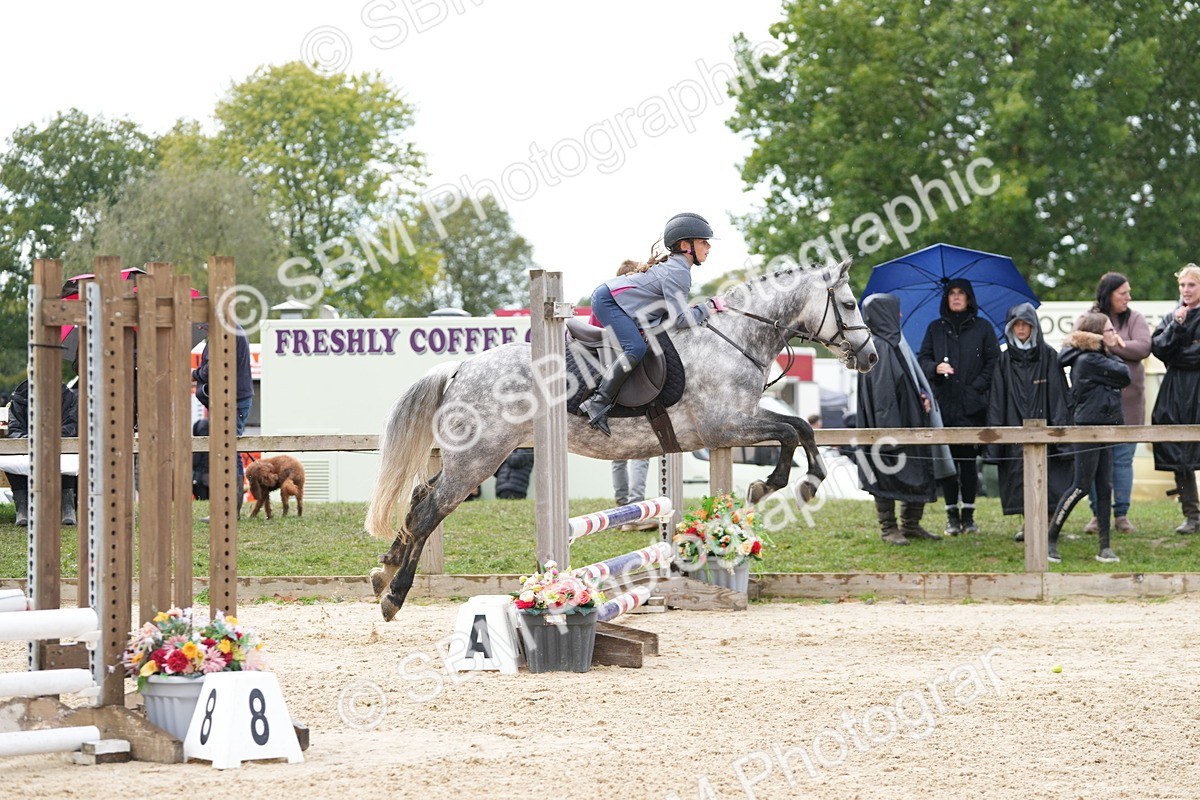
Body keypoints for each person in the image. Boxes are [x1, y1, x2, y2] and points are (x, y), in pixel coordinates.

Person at [579, 212, 727, 436]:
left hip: (615, 300)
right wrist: (708, 307)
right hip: (608, 301)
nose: (708, 246)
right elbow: (680, 320)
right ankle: (597, 402)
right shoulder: (678, 272)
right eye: (703, 242)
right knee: (636, 348)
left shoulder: (679, 268)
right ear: (685, 246)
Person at [985, 304, 1074, 542]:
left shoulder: (1049, 355)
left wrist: (1061, 434)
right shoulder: (1004, 360)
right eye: (1017, 324)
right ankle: (1029, 524)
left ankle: (1048, 523)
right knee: (1020, 477)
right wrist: (995, 439)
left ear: (1034, 327)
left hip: (1047, 428)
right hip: (1014, 427)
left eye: (1026, 324)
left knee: (1051, 477)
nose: (1021, 329)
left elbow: (1058, 396)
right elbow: (997, 400)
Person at [856, 294, 940, 545]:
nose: (900, 315)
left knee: (916, 470)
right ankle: (889, 528)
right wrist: (890, 435)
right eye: (895, 311)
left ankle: (911, 525)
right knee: (886, 475)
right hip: (890, 427)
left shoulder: (894, 343)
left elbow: (906, 381)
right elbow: (883, 396)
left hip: (907, 421)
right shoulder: (879, 347)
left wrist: (921, 397)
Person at [918, 279, 1000, 535]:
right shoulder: (935, 328)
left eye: (960, 293)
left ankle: (969, 516)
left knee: (968, 463)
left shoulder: (983, 328)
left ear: (968, 298)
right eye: (951, 293)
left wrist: (974, 389)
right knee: (947, 464)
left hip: (973, 408)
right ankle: (951, 516)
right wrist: (935, 368)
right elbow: (922, 359)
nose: (955, 297)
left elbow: (994, 362)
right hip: (944, 406)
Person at [1047, 313, 1131, 563]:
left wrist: (1108, 349)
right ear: (1097, 335)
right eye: (1109, 330)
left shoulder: (1095, 357)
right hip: (1087, 428)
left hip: (1104, 426)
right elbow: (1124, 374)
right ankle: (1050, 539)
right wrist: (1112, 350)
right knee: (1081, 486)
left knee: (1105, 487)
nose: (1114, 334)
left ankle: (1105, 547)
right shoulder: (1089, 359)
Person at [1079, 273, 1151, 534]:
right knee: (1095, 463)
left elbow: (1143, 348)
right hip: (1096, 407)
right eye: (1123, 293)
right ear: (1108, 294)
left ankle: (1121, 514)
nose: (1128, 297)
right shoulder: (1088, 317)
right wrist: (1113, 344)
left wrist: (1111, 345)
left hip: (1129, 406)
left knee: (1122, 461)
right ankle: (1098, 516)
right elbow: (1078, 344)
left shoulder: (1135, 318)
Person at [1150, 263, 1200, 535]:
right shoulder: (1173, 316)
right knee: (1177, 452)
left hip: (1197, 387)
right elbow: (1159, 348)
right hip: (1175, 390)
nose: (1186, 290)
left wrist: (1181, 354)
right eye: (1182, 285)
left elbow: (1189, 357)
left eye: (1191, 284)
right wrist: (1177, 328)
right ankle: (1191, 515)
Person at [193, 326, 254, 517]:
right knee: (227, 451)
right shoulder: (229, 330)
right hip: (231, 400)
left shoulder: (225, 332)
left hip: (232, 401)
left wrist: (194, 374)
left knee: (229, 452)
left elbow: (212, 368)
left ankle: (229, 511)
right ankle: (227, 510)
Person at [4, 380, 79, 526]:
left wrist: (49, 439)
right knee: (12, 458)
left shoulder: (68, 397)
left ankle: (67, 506)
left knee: (68, 457)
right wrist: (33, 440)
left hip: (60, 446)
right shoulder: (19, 397)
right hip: (27, 447)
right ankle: (22, 508)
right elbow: (15, 429)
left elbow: (72, 425)